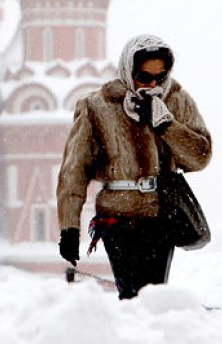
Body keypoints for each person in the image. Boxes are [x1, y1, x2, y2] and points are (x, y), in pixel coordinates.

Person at [57, 34, 212, 299]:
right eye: (143, 77)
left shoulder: (177, 100)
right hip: (118, 216)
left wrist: (167, 126)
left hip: (161, 214)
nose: (151, 85)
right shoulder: (98, 105)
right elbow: (75, 169)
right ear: (128, 71)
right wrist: (69, 228)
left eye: (160, 78)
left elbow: (200, 158)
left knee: (153, 293)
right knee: (131, 294)